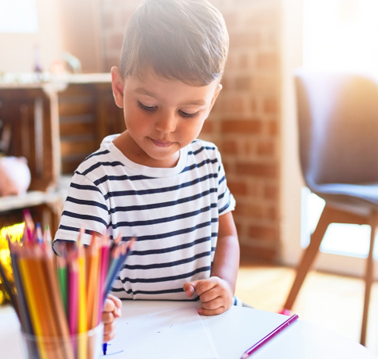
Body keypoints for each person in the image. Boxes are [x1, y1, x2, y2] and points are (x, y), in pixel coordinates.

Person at [53, 0, 239, 343]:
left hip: (197, 327)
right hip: (130, 334)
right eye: (149, 106)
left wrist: (225, 283)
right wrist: (92, 302)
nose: (166, 126)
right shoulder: (97, 178)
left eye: (188, 112)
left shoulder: (209, 162)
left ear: (211, 101)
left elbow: (226, 236)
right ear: (120, 88)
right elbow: (74, 265)